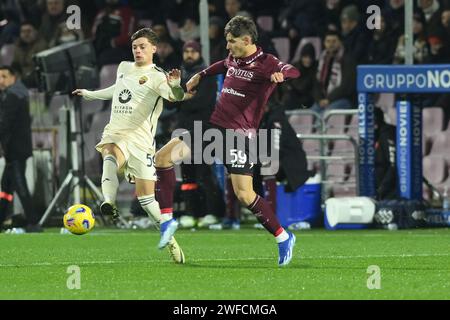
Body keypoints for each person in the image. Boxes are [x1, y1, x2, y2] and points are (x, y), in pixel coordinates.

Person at [154, 16, 300, 267]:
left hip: (239, 137)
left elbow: (292, 70)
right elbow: (222, 65)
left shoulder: (267, 62)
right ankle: (167, 222)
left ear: (247, 40)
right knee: (163, 157)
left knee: (244, 194)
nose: (228, 46)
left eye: (232, 41)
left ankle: (283, 237)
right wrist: (200, 74)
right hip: (213, 126)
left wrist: (281, 77)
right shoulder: (234, 57)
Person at [72, 28, 188, 264]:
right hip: (117, 130)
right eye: (135, 46)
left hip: (141, 141)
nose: (137, 50)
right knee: (109, 152)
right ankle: (109, 201)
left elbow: (175, 97)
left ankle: (171, 240)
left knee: (146, 201)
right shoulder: (124, 67)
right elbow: (119, 91)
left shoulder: (158, 76)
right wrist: (90, 95)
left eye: (143, 46)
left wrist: (176, 85)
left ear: (154, 48)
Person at [166, 40, 224, 226]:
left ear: (199, 53)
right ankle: (192, 213)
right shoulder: (179, 76)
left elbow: (203, 102)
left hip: (204, 129)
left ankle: (214, 212)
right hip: (183, 129)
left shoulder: (206, 75)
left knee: (204, 172)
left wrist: (180, 97)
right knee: (187, 174)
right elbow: (168, 102)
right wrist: (180, 93)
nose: (189, 54)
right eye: (186, 51)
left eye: (193, 51)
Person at [0, 66, 41, 233]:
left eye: (4, 76)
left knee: (19, 186)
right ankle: (2, 219)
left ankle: (33, 222)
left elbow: (5, 124)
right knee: (6, 186)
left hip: (15, 150)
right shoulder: (20, 93)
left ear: (13, 77)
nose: (0, 80)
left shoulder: (12, 95)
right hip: (18, 149)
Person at [311, 30, 356, 114]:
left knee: (324, 116)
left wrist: (329, 99)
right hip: (323, 101)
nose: (331, 44)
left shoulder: (347, 60)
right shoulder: (322, 60)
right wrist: (319, 99)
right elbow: (316, 84)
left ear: (340, 42)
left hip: (343, 99)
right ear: (324, 43)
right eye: (328, 41)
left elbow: (346, 86)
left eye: (334, 41)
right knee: (310, 115)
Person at [374, 107, 397, 200]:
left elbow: (393, 164)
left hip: (388, 191)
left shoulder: (387, 134)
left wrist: (382, 188)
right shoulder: (372, 136)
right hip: (376, 188)